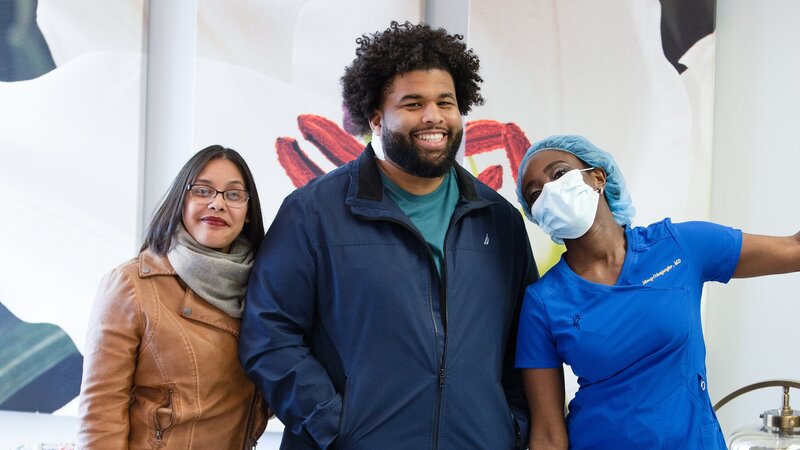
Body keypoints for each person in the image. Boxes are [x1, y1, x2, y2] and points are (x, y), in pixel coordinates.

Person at [238, 21, 538, 449]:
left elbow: (523, 343)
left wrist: (510, 427)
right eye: (413, 103)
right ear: (377, 117)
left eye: (445, 102)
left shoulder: (499, 220)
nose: (433, 116)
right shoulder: (313, 213)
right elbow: (268, 336)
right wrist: (335, 426)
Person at [513, 134, 800, 449]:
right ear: (538, 217)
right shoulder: (543, 301)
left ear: (597, 177)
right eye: (536, 193)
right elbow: (548, 435)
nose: (550, 191)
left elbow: (793, 249)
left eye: (558, 174)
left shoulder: (679, 246)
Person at [77, 145, 270, 449]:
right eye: (203, 190)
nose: (217, 204)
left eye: (233, 195)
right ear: (182, 200)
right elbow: (100, 416)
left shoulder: (265, 291)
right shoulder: (131, 286)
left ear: (247, 213)